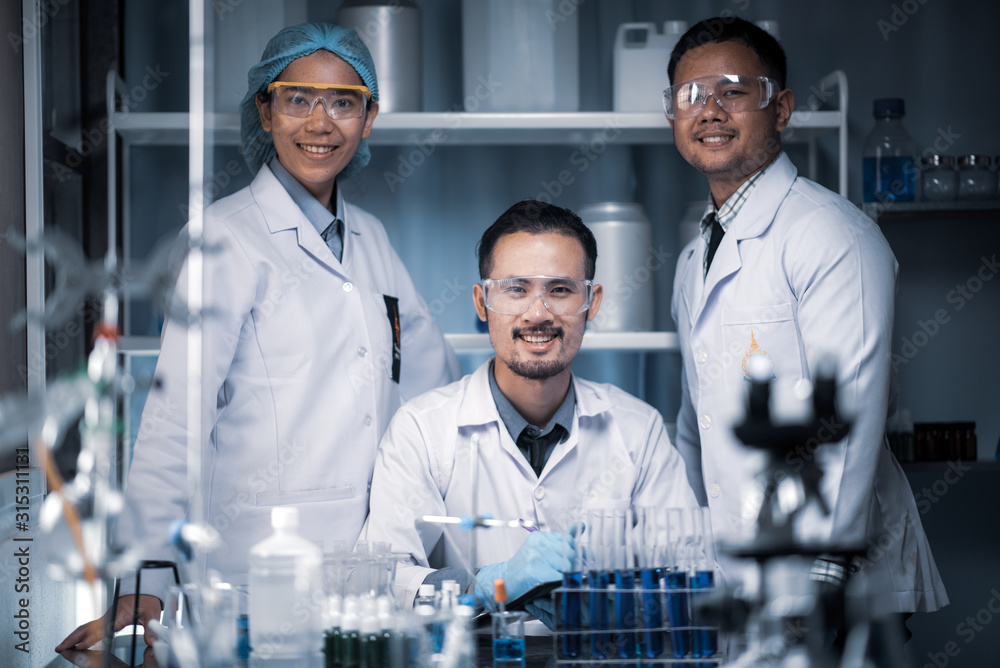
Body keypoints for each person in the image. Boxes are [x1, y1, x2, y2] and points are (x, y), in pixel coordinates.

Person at [57, 22, 460, 651]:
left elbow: (437, 392)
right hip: (256, 579)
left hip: (372, 573)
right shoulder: (225, 240)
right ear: (265, 112)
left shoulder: (373, 241)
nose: (320, 123)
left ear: (370, 117)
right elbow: (174, 420)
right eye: (297, 99)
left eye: (343, 102)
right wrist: (145, 578)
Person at [665, 16, 947, 633]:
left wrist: (817, 584)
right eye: (690, 95)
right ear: (672, 118)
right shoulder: (694, 260)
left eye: (733, 90)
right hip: (744, 580)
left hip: (837, 587)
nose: (709, 109)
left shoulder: (831, 233)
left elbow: (849, 416)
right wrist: (694, 560)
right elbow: (697, 423)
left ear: (782, 107)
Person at [360, 200, 698, 624]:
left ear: (591, 303)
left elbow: (688, 575)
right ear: (482, 303)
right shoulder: (422, 430)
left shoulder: (638, 429)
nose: (538, 314)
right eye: (516, 289)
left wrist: (619, 602)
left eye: (559, 289)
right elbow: (383, 580)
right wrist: (488, 587)